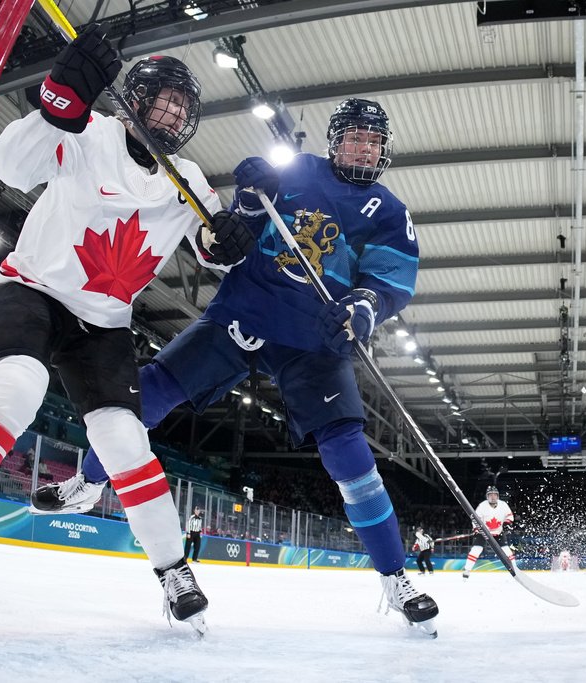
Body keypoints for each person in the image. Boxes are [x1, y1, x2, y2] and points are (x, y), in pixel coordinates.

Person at [32, 98, 439, 637]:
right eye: (353, 137)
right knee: (149, 393)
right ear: (334, 140)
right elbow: (236, 238)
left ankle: (395, 578)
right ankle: (88, 482)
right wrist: (249, 198)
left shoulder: (389, 211)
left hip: (314, 342)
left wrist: (363, 306)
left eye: (372, 140)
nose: (362, 147)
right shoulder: (299, 172)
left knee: (350, 452)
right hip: (243, 315)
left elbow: (389, 281)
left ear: (383, 151)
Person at [0, 25, 255, 630]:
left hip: (106, 324)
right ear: (136, 101)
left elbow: (210, 241)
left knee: (124, 441)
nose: (170, 112)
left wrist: (230, 240)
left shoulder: (189, 179)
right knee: (14, 391)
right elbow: (11, 165)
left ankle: (174, 573)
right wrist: (57, 103)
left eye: (181, 106)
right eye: (162, 98)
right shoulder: (90, 131)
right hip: (32, 289)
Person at [462, 485, 515, 579]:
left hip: (498, 532)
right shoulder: (482, 506)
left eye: (495, 495)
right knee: (476, 550)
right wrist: (476, 529)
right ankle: (467, 570)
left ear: (498, 496)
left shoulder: (503, 505)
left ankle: (515, 569)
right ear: (487, 496)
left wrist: (506, 525)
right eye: (491, 495)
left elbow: (509, 517)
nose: (493, 497)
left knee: (507, 551)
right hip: (484, 533)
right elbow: (475, 519)